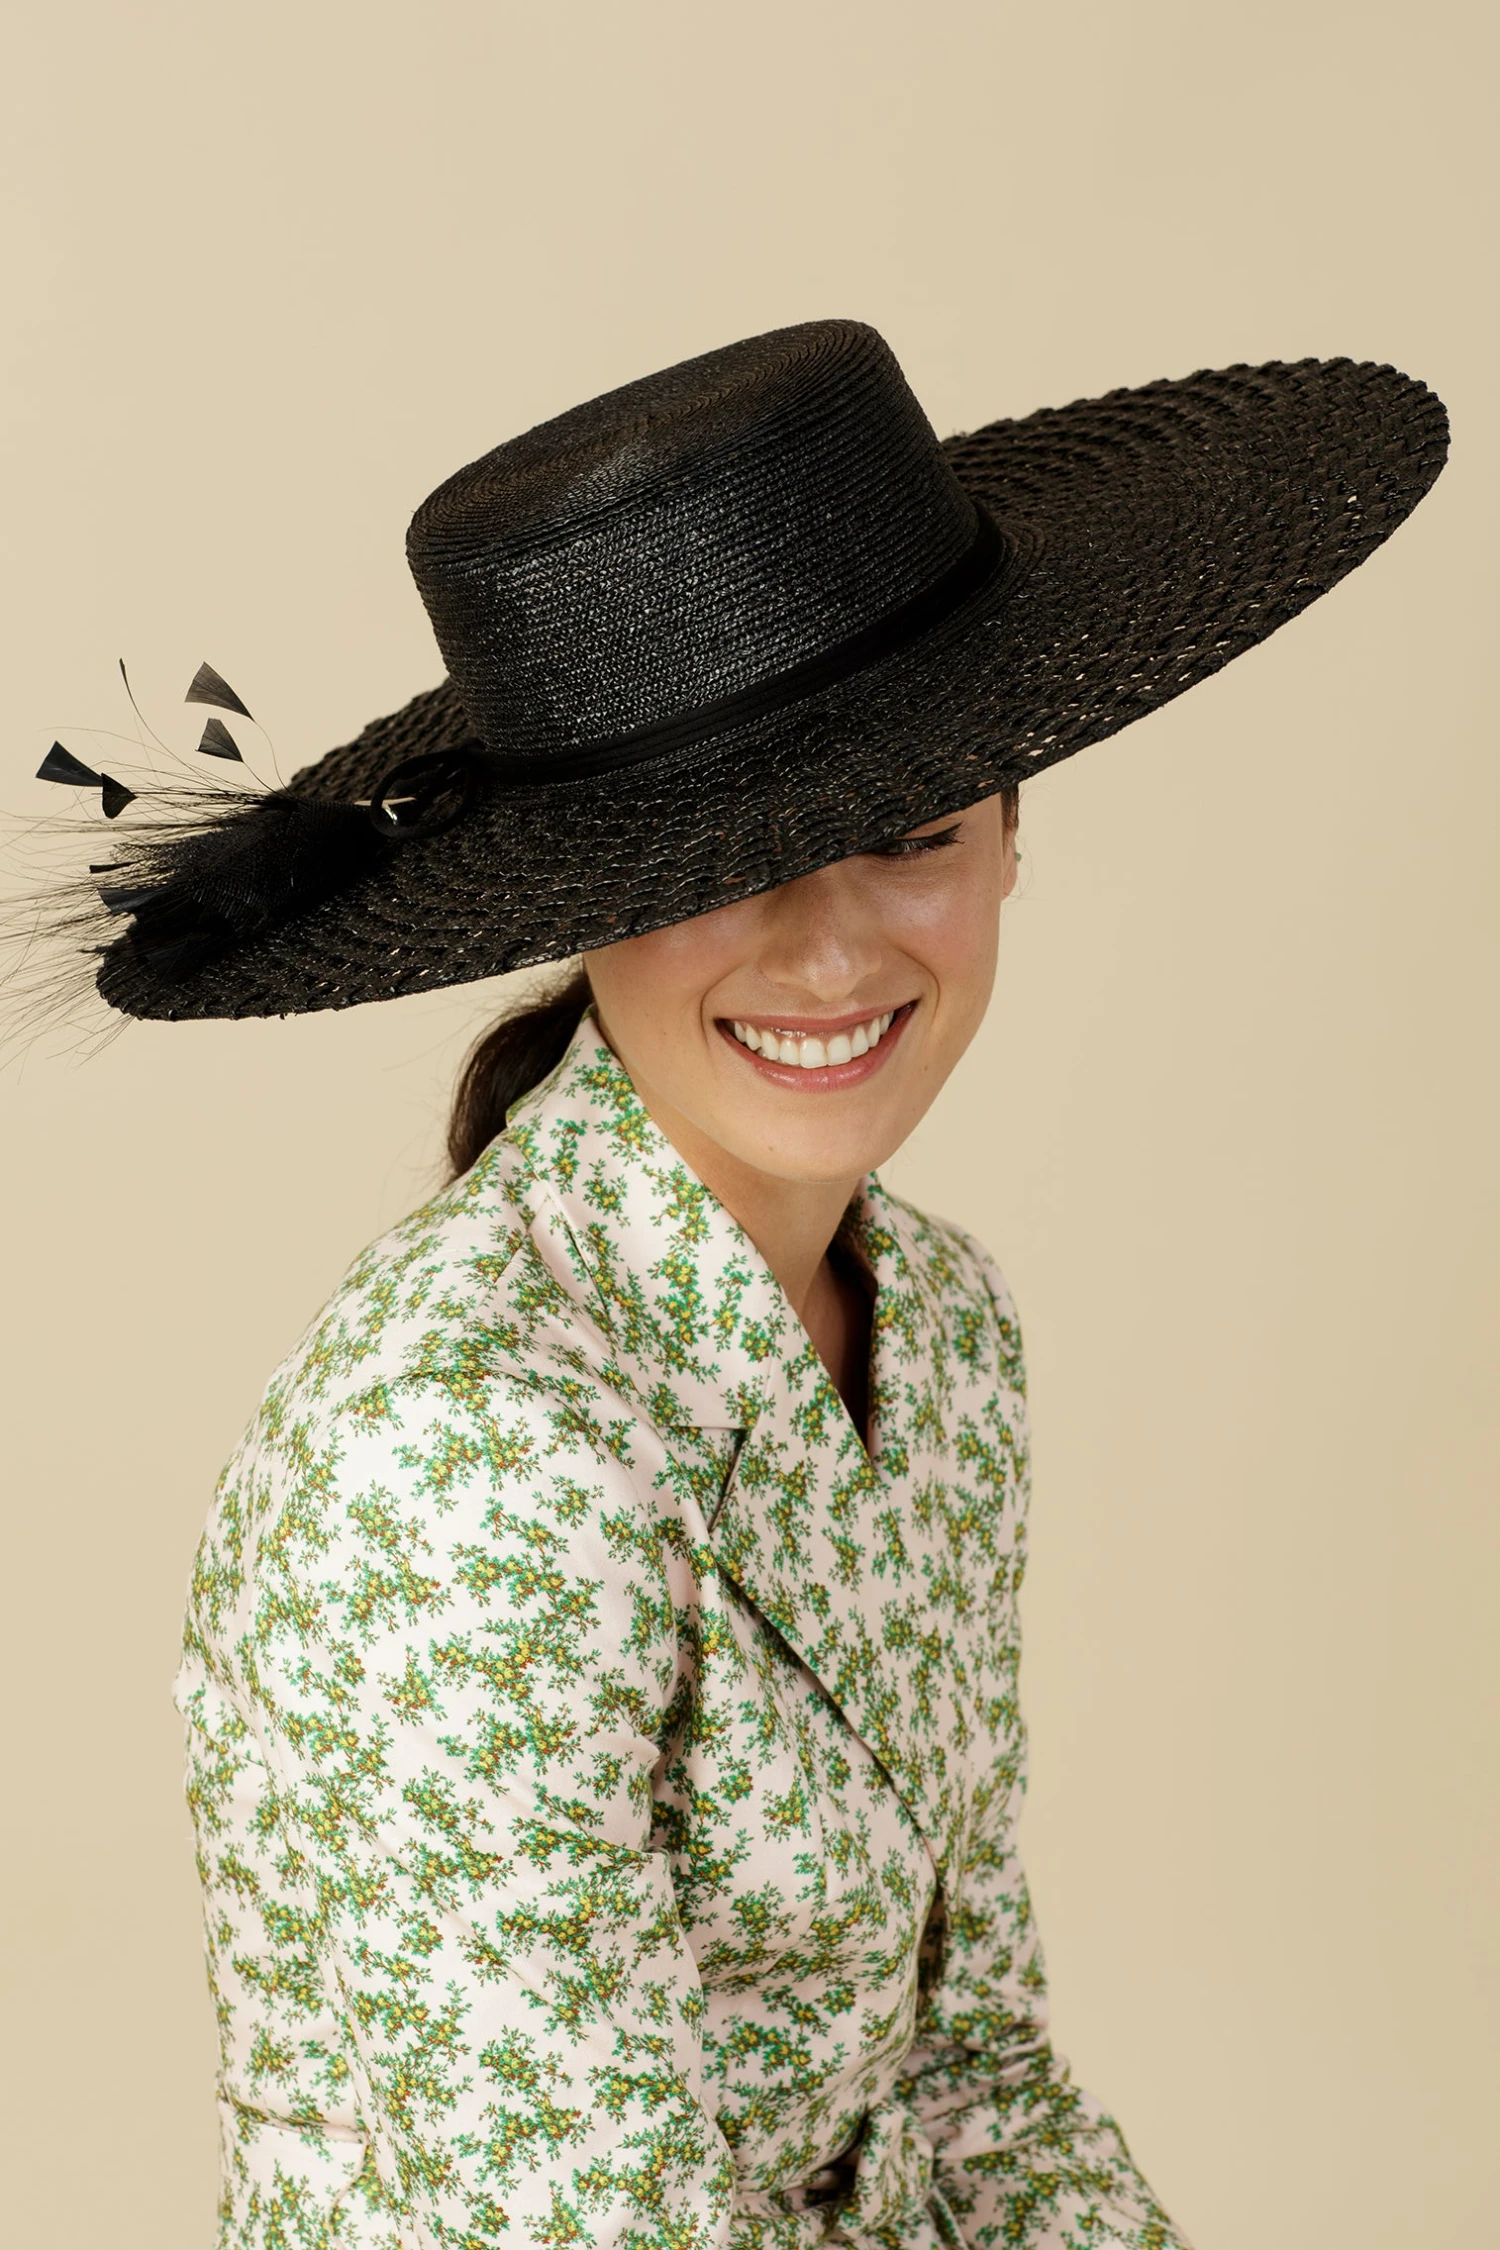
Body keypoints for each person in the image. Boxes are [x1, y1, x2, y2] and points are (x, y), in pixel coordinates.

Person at [24, 320, 1447, 2245]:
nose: (830, 951)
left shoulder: (944, 1331)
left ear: (1014, 830)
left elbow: (975, 2074)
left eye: (914, 829)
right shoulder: (458, 1464)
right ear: (578, 909)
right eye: (720, 863)